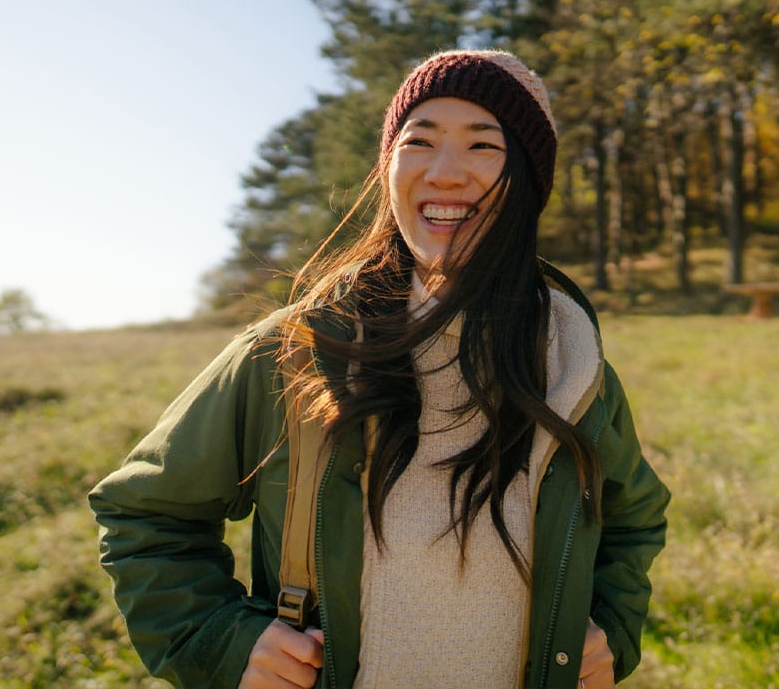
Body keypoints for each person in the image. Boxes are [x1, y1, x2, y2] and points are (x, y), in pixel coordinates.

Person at [89, 49, 670, 689]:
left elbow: (633, 518)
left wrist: (610, 630)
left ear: (528, 180)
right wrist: (219, 642)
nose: (445, 173)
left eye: (483, 146)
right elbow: (145, 514)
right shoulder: (294, 354)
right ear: (389, 170)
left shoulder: (575, 367)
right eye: (419, 141)